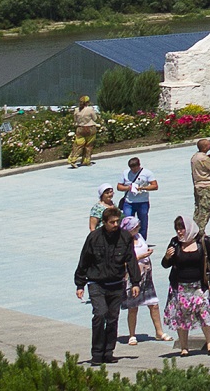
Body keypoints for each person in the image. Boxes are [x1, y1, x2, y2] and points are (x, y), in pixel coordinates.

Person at [74, 208, 137, 365]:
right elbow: (84, 260)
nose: (115, 225)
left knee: (112, 318)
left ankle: (108, 352)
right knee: (100, 314)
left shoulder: (125, 237)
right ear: (104, 222)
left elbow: (131, 259)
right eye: (112, 222)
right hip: (97, 284)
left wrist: (135, 282)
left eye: (117, 221)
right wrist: (80, 284)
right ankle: (96, 353)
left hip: (116, 284)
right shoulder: (94, 238)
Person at [160, 215, 210, 357]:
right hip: (180, 286)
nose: (180, 232)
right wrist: (167, 257)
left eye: (182, 228)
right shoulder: (175, 243)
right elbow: (165, 265)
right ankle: (184, 347)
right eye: (177, 229)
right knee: (181, 316)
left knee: (205, 311)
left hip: (199, 285)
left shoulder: (204, 241)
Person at [123, 226, 164, 346]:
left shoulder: (139, 237)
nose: (138, 228)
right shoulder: (123, 241)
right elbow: (124, 261)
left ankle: (159, 332)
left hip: (146, 275)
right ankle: (132, 335)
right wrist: (141, 256)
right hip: (132, 277)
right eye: (136, 227)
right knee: (133, 307)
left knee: (153, 304)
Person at [118, 155, 160, 238]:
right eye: (131, 168)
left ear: (139, 166)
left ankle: (142, 240)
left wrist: (143, 188)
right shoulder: (125, 173)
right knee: (127, 221)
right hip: (129, 202)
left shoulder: (147, 173)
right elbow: (119, 186)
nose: (133, 170)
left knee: (142, 222)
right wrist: (128, 188)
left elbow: (155, 186)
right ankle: (127, 239)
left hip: (142, 202)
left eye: (135, 168)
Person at [189, 138, 210, 232]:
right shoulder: (204, 158)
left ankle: (193, 229)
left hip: (197, 185)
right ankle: (200, 231)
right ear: (205, 147)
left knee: (198, 209)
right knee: (205, 210)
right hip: (205, 186)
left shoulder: (194, 157)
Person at [71, 95, 100, 168]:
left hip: (80, 129)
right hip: (90, 129)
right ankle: (86, 160)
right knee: (89, 146)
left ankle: (73, 159)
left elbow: (75, 120)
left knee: (78, 145)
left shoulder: (76, 110)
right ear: (87, 102)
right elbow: (95, 118)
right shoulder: (90, 109)